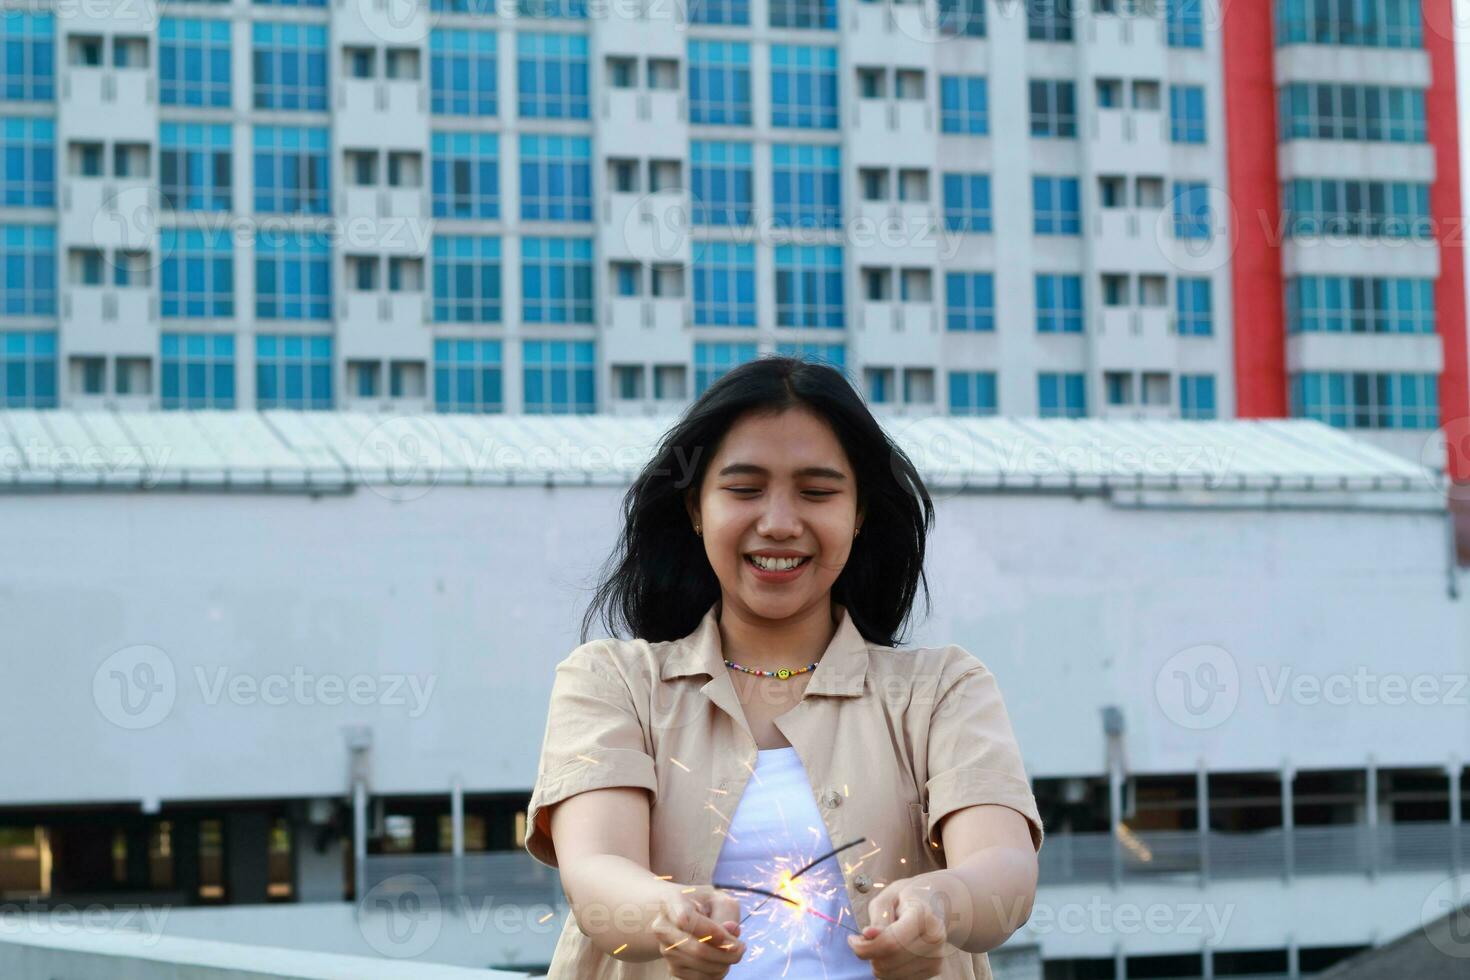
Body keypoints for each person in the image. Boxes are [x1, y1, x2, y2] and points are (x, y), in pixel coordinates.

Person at [525, 355, 1044, 979]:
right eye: (743, 490)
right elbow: (595, 874)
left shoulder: (941, 691)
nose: (777, 524)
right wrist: (665, 913)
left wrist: (942, 903)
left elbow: (1005, 874)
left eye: (818, 492)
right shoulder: (613, 682)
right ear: (695, 508)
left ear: (858, 513)